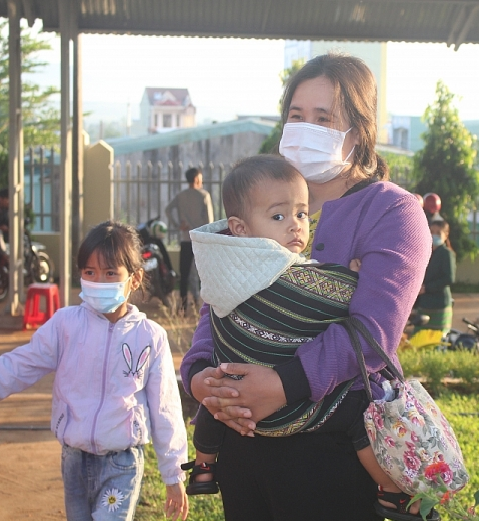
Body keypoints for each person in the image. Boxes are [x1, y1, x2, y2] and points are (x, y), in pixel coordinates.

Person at [180, 53, 433, 521]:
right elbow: (218, 297)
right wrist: (200, 378)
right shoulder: (262, 199)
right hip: (243, 439)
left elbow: (374, 333)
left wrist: (282, 384)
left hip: (332, 451)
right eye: (296, 116)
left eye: (324, 118)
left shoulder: (393, 214)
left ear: (357, 132)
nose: (304, 128)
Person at [0, 221, 189, 521]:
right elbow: (20, 365)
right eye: (90, 272)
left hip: (122, 464)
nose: (99, 281)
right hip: (74, 461)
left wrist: (174, 475)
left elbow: (165, 408)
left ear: (135, 278)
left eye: (110, 273)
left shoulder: (150, 337)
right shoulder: (65, 325)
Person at [165, 167, 214, 311]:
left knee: (184, 273)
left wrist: (177, 224)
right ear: (197, 179)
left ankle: (183, 306)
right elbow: (209, 221)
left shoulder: (181, 196)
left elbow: (168, 210)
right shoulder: (204, 195)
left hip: (186, 238)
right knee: (203, 274)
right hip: (200, 240)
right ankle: (204, 306)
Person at [410, 220, 456, 347]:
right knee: (418, 341)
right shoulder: (425, 252)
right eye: (431, 232)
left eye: (438, 232)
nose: (434, 235)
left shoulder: (446, 254)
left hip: (439, 304)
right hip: (424, 304)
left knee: (437, 342)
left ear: (446, 235)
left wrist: (427, 288)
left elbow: (449, 278)